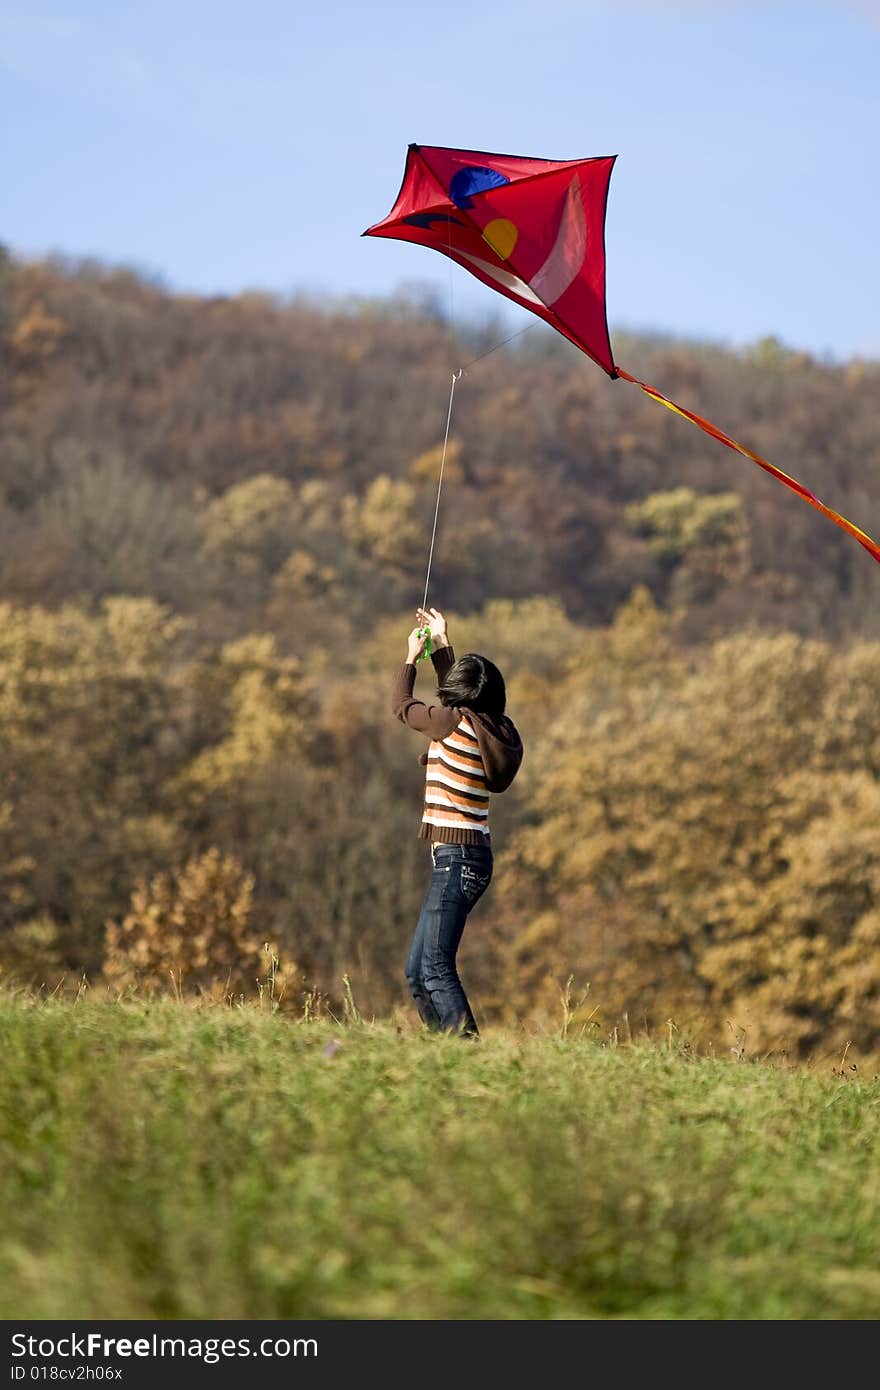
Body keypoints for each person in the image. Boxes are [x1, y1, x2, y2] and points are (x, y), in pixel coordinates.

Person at [391, 606, 523, 1036]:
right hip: (472, 857)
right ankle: (443, 1052)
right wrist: (443, 644)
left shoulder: (449, 723)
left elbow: (402, 706)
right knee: (417, 970)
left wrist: (412, 656)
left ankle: (465, 1053)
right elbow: (461, 698)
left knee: (434, 969)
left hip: (455, 859)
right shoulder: (490, 729)